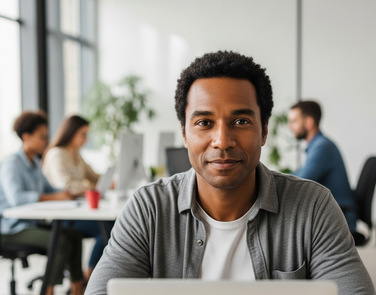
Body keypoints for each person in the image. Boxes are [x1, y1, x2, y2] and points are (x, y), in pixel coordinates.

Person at [85, 51, 374, 295]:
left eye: (241, 120)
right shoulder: (148, 209)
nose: (222, 140)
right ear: (184, 133)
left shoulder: (313, 206)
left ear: (264, 130)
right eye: (204, 122)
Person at [0, 111, 84, 295]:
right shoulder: (11, 164)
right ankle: (48, 290)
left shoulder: (34, 163)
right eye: (42, 136)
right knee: (60, 242)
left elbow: (49, 189)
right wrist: (56, 198)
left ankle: (78, 288)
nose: (46, 140)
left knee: (74, 236)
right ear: (26, 136)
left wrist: (69, 193)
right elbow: (17, 198)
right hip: (10, 229)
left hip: (30, 224)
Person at [42, 115, 112, 280]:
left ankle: (91, 272)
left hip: (78, 211)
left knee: (112, 224)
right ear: (71, 132)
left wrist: (109, 180)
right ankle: (91, 274)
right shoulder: (56, 154)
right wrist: (92, 187)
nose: (85, 139)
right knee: (108, 228)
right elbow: (65, 185)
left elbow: (94, 176)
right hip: (62, 215)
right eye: (83, 134)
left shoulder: (76, 154)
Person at [288, 101, 358, 233]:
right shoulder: (319, 145)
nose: (290, 126)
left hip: (340, 220)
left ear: (309, 122)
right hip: (333, 215)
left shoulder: (322, 147)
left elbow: (300, 182)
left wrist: (272, 179)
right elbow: (300, 174)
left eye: (294, 121)